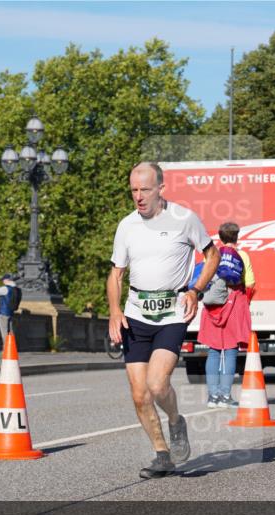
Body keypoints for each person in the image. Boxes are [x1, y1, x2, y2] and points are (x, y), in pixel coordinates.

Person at [108, 162, 220, 479]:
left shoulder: (185, 219)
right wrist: (115, 310)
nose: (138, 196)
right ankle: (162, 455)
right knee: (139, 394)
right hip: (136, 314)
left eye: (145, 189)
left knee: (157, 384)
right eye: (133, 190)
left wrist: (196, 290)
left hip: (172, 312)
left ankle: (175, 420)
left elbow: (212, 255)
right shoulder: (127, 225)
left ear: (161, 188)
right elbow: (116, 273)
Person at [199, 222, 254, 408]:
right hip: (234, 304)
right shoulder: (243, 256)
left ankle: (212, 397)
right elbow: (250, 283)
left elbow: (204, 278)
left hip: (213, 305)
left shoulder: (211, 255)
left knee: (213, 351)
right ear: (237, 236)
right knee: (230, 351)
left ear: (220, 237)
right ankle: (225, 396)